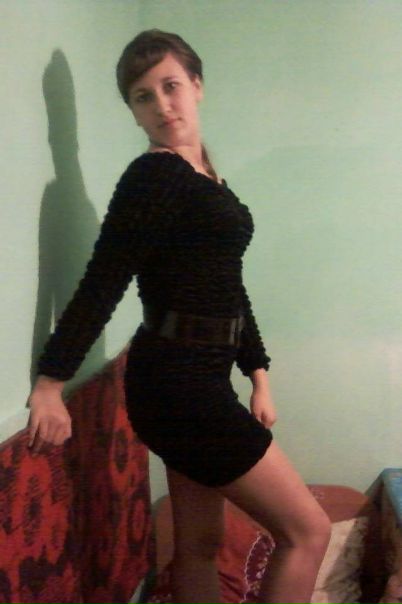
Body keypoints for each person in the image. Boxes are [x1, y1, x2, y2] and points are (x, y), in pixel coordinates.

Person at [27, 29, 331, 604]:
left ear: (197, 85)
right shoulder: (155, 176)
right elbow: (102, 282)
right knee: (308, 531)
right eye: (143, 96)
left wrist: (258, 373)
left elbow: (228, 285)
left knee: (199, 543)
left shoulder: (203, 174)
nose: (162, 105)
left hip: (195, 378)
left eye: (170, 86)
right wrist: (50, 382)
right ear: (133, 111)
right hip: (178, 385)